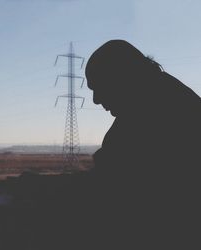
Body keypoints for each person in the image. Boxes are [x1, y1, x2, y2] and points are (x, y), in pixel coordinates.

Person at [85, 40, 201, 248]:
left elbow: (110, 189)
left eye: (99, 85)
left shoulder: (159, 113)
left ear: (121, 77)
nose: (95, 100)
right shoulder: (159, 99)